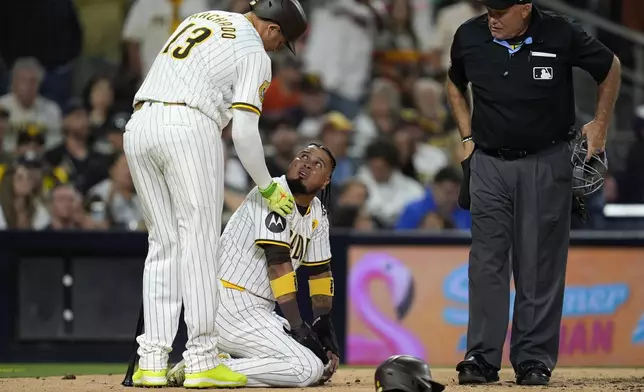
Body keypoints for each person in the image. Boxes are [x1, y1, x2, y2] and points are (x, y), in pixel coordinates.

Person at [123, 0, 307, 388]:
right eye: (282, 40)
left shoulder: (200, 17)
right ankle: (202, 358)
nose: (277, 48)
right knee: (200, 244)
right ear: (273, 29)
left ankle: (152, 360)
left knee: (163, 245)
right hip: (188, 126)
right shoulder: (255, 50)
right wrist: (267, 185)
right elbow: (243, 132)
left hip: (140, 124)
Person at [445, 0, 621, 386]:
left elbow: (610, 67)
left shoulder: (561, 32)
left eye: (500, 12)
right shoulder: (470, 35)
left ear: (524, 7)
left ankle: (533, 360)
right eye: (488, 10)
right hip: (488, 162)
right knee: (485, 262)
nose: (492, 18)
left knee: (539, 264)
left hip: (546, 160)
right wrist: (466, 135)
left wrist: (601, 124)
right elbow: (454, 81)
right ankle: (480, 357)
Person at [165, 144, 340, 388]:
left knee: (319, 366)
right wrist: (298, 326)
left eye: (318, 164)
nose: (307, 163)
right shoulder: (272, 193)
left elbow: (321, 273)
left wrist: (323, 325)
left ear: (326, 181)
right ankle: (205, 367)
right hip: (227, 302)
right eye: (302, 156)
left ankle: (214, 363)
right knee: (305, 367)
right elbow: (278, 264)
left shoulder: (318, 213)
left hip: (257, 310)